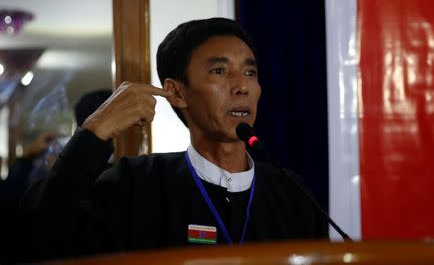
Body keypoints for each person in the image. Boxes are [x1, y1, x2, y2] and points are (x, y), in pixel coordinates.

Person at [17, 17, 328, 262]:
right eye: (220, 71)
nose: (242, 87)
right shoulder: (134, 185)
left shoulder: (293, 194)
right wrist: (94, 133)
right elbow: (33, 239)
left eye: (249, 73)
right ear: (177, 92)